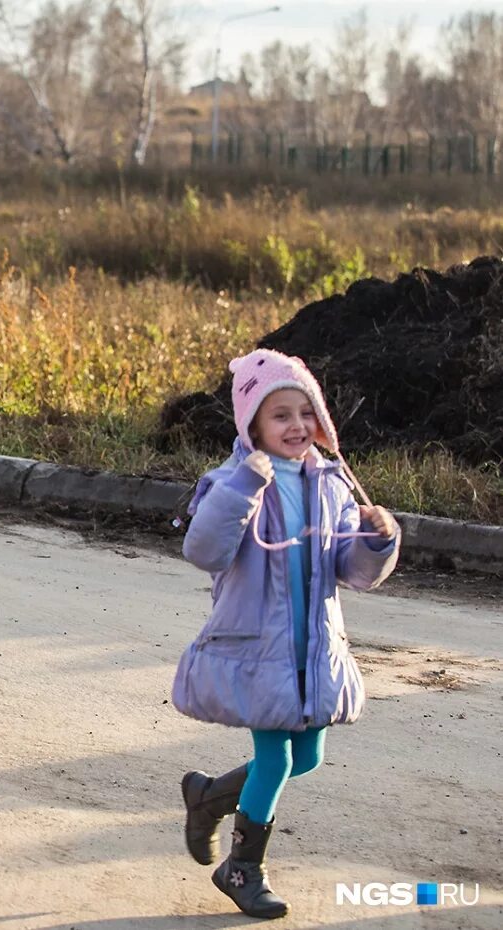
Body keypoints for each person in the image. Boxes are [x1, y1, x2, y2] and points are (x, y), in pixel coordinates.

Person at [174, 348, 401, 919]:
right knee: (274, 760)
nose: (297, 426)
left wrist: (376, 542)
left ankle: (207, 799)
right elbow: (204, 550)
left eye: (305, 413)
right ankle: (242, 868)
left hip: (311, 648)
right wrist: (244, 485)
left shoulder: (330, 483)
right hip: (257, 648)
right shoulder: (229, 480)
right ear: (252, 424)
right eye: (280, 415)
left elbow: (351, 570)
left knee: (308, 758)